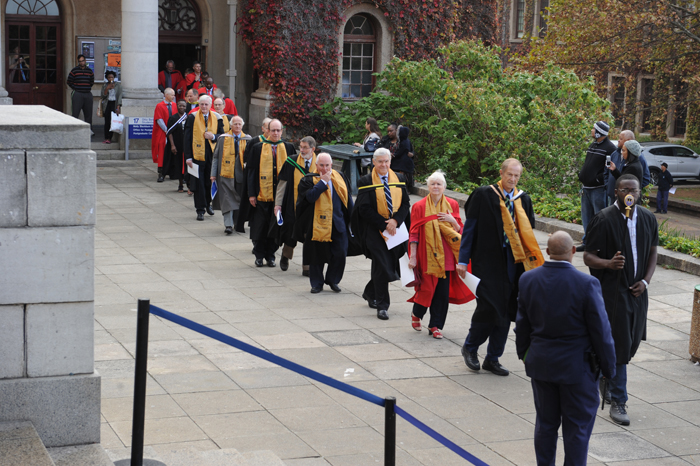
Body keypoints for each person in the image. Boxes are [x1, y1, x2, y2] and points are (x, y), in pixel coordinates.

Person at [516, 231, 616, 466]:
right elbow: (601, 332)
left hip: (541, 364)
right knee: (577, 430)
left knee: (545, 424)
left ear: (548, 252)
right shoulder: (587, 283)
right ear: (573, 252)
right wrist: (609, 369)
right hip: (577, 368)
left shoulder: (528, 279)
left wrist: (525, 355)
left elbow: (522, 324)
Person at [457, 158, 544, 376]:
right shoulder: (484, 195)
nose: (513, 179)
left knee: (507, 309)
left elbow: (528, 233)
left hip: (515, 262)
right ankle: (470, 346)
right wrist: (462, 260)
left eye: (517, 176)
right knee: (489, 306)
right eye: (509, 175)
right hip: (487, 261)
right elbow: (470, 229)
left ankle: (493, 357)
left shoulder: (522, 199)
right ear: (501, 173)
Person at [584, 174, 658, 426]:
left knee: (631, 342)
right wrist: (609, 264)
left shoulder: (647, 218)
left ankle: (606, 372)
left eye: (634, 190)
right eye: (625, 189)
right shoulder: (603, 219)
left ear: (639, 193)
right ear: (615, 191)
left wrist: (645, 281)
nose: (630, 193)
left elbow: (652, 252)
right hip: (612, 294)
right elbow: (588, 257)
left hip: (637, 292)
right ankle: (619, 400)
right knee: (620, 346)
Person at [407, 171, 474, 337]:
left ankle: (435, 326)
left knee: (442, 293)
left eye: (439, 184)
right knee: (427, 288)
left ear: (444, 187)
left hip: (447, 256)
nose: (436, 187)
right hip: (426, 254)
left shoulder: (452, 204)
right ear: (428, 186)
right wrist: (413, 257)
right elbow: (414, 233)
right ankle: (417, 313)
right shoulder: (419, 206)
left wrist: (452, 221)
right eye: (433, 184)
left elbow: (460, 231)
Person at [354, 148, 411, 320]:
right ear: (373, 162)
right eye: (380, 161)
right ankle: (382, 306)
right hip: (375, 230)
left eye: (386, 161)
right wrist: (383, 224)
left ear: (390, 162)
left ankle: (370, 293)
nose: (383, 165)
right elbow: (363, 208)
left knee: (389, 265)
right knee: (382, 266)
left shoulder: (399, 179)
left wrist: (395, 221)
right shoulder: (365, 181)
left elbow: (405, 204)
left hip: (396, 230)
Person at [295, 153, 354, 293]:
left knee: (340, 253)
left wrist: (352, 218)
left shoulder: (339, 177)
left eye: (327, 165)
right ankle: (317, 283)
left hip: (338, 222)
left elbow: (348, 197)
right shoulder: (308, 180)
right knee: (317, 255)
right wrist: (322, 183)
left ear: (331, 165)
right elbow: (309, 197)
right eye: (321, 165)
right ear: (316, 165)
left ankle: (333, 280)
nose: (324, 168)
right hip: (317, 224)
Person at [247, 119, 296, 267]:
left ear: (282, 131)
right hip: (262, 194)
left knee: (275, 228)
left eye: (278, 130)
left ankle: (271, 255)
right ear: (267, 130)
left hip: (281, 197)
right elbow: (251, 172)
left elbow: (294, 172)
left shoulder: (288, 148)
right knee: (261, 226)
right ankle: (259, 255)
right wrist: (251, 194)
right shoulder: (258, 148)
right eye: (273, 130)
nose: (275, 133)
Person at [275, 136, 318, 274]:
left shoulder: (320, 163)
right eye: (301, 146)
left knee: (309, 235)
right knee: (290, 233)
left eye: (305, 147)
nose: (302, 150)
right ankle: (286, 255)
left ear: (313, 149)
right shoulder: (292, 161)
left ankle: (307, 266)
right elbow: (282, 184)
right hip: (292, 205)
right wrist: (278, 204)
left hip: (311, 207)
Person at [577, 121, 617, 251]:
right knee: (586, 217)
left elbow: (608, 168)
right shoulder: (593, 144)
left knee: (598, 218)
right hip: (586, 188)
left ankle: (598, 244)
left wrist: (598, 180)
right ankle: (587, 242)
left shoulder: (610, 148)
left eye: (593, 129)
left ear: (600, 132)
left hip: (598, 190)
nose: (591, 131)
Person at [184, 94, 224, 221]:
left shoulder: (217, 118)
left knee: (209, 181)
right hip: (197, 155)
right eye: (202, 104)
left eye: (206, 104)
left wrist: (213, 136)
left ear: (210, 105)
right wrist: (188, 157)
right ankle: (200, 209)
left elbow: (223, 136)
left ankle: (208, 204)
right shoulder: (192, 117)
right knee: (198, 183)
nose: (204, 107)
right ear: (199, 105)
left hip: (212, 155)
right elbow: (187, 137)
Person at [211, 115, 248, 234]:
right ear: (231, 125)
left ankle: (237, 222)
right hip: (225, 174)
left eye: (239, 124)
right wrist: (213, 174)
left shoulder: (248, 139)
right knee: (227, 198)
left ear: (242, 126)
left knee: (239, 198)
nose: (237, 126)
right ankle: (228, 225)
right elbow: (216, 157)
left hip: (241, 175)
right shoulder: (223, 138)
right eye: (235, 124)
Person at [604, 131, 651, 205]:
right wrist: (608, 185)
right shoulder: (615, 154)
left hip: (627, 199)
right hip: (614, 196)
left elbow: (644, 179)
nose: (618, 140)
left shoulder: (636, 161)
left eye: (621, 138)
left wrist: (632, 191)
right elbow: (612, 174)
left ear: (628, 140)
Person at [152, 88, 176, 182]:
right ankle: (161, 173)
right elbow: (159, 119)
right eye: (172, 95)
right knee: (162, 152)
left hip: (173, 132)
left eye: (174, 95)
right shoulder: (159, 106)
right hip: (163, 132)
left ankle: (172, 172)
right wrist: (167, 130)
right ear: (166, 95)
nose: (173, 97)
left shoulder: (175, 105)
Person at [164, 100, 188, 192]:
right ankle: (180, 185)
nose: (182, 107)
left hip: (186, 144)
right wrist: (172, 145)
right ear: (177, 106)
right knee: (178, 164)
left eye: (183, 106)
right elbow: (169, 132)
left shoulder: (188, 117)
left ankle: (189, 186)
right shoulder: (173, 118)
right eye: (180, 106)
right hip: (177, 144)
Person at [67, 55, 95, 130]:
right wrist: (75, 88)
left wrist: (86, 87)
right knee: (75, 113)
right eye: (80, 61)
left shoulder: (89, 71)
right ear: (78, 62)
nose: (82, 62)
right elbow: (69, 81)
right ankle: (74, 129)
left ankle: (89, 130)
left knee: (88, 114)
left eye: (83, 61)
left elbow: (92, 82)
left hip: (87, 94)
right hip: (78, 94)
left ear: (85, 61)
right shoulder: (74, 70)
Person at [100, 70, 122, 144]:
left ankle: (110, 138)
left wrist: (118, 107)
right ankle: (106, 137)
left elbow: (119, 96)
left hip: (114, 104)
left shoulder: (118, 86)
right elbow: (103, 96)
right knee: (107, 122)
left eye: (112, 77)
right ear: (107, 78)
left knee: (113, 121)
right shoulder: (104, 86)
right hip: (107, 104)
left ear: (114, 77)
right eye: (109, 77)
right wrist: (107, 88)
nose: (110, 79)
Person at [391, 125, 415, 191]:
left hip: (404, 162)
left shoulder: (404, 142)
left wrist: (394, 155)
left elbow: (400, 152)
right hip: (405, 160)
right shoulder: (406, 141)